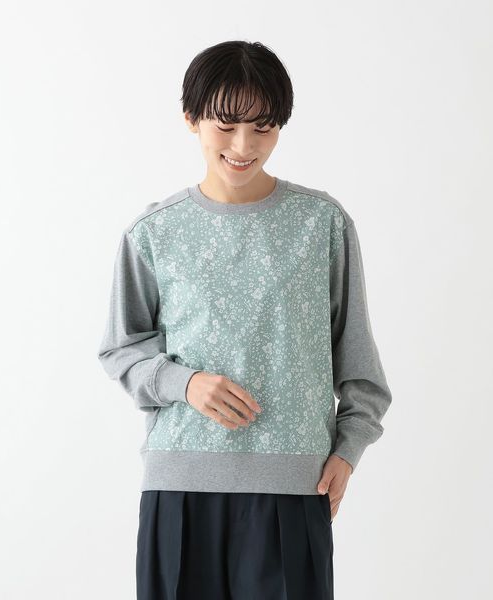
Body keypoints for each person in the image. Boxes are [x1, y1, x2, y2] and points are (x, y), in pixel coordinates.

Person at [97, 39, 392, 600]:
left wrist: (347, 452)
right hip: (180, 484)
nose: (243, 145)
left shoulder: (322, 224)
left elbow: (359, 364)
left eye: (263, 127)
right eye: (226, 125)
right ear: (191, 118)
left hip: (294, 486)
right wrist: (184, 383)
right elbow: (120, 348)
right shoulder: (154, 232)